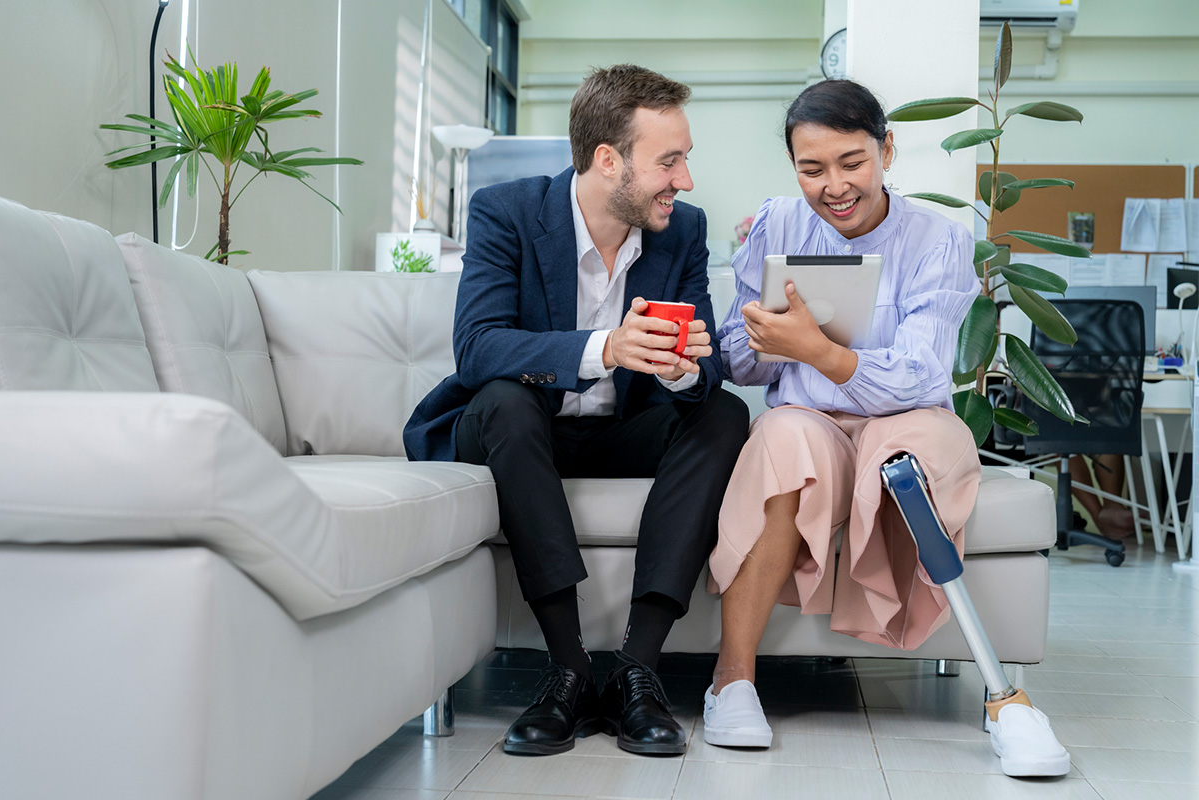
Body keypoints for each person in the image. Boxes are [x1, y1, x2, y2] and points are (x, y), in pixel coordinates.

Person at [701, 79, 1071, 777]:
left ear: (886, 150)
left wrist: (822, 351)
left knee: (904, 460)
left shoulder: (939, 238)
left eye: (852, 162)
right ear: (793, 168)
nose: (834, 186)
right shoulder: (776, 223)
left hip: (908, 415)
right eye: (812, 169)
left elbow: (922, 372)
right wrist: (757, 340)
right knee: (782, 442)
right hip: (807, 416)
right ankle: (732, 680)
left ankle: (1003, 698)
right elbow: (739, 364)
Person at [403, 64, 749, 757]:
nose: (684, 180)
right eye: (669, 161)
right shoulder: (508, 212)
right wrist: (607, 348)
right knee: (504, 399)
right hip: (517, 429)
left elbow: (707, 367)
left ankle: (637, 671)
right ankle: (568, 670)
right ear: (607, 160)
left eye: (685, 161)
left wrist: (685, 374)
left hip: (621, 428)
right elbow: (479, 347)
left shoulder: (682, 231)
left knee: (725, 414)